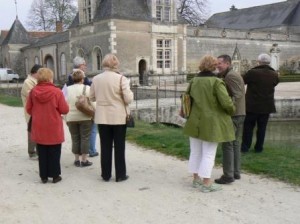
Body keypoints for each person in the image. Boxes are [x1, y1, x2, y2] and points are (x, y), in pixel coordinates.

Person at [183, 55, 235, 193]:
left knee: (195, 152)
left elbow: (186, 100)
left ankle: (196, 179)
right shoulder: (216, 82)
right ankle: (206, 183)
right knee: (208, 154)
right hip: (211, 122)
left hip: (194, 121)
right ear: (214, 66)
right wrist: (232, 109)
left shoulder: (193, 81)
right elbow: (226, 103)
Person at [90, 54, 133, 182]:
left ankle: (106, 174)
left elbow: (91, 97)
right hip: (118, 116)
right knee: (119, 146)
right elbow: (128, 99)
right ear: (116, 64)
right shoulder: (121, 79)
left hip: (102, 116)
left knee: (105, 146)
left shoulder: (96, 79)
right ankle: (120, 174)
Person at [26, 68, 69, 183]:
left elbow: (28, 109)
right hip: (54, 125)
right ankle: (55, 175)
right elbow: (64, 110)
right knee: (55, 151)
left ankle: (43, 176)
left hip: (39, 125)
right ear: (50, 77)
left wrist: (38, 113)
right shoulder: (57, 92)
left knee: (42, 151)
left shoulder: (33, 92)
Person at [214, 55, 245, 184]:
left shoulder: (231, 76)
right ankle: (236, 172)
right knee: (235, 144)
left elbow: (237, 96)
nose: (217, 66)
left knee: (227, 144)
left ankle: (228, 175)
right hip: (239, 114)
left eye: (219, 63)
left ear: (227, 63)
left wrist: (227, 109)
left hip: (234, 115)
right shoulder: (230, 75)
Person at [241, 53, 279, 153]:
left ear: (259, 61)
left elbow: (242, 81)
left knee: (248, 128)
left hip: (252, 106)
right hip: (266, 106)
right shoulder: (274, 74)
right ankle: (259, 148)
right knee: (262, 129)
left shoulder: (253, 72)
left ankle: (245, 147)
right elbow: (275, 83)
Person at [67, 56, 99, 157]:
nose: (85, 66)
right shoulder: (84, 81)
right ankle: (90, 151)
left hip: (72, 114)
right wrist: (96, 111)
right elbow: (92, 96)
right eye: (84, 64)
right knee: (90, 132)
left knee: (75, 137)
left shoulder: (69, 80)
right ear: (80, 65)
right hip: (86, 111)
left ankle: (77, 157)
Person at [65, 69, 94, 167]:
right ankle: (84, 160)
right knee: (85, 138)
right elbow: (93, 102)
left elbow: (64, 104)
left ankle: (76, 159)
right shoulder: (88, 88)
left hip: (71, 117)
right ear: (83, 78)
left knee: (75, 138)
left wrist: (65, 117)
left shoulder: (67, 89)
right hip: (85, 116)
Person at [21, 64, 43, 159]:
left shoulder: (37, 81)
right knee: (31, 131)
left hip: (38, 110)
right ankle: (31, 152)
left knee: (38, 131)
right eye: (40, 73)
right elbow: (32, 94)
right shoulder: (28, 82)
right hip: (31, 111)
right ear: (35, 72)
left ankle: (39, 151)